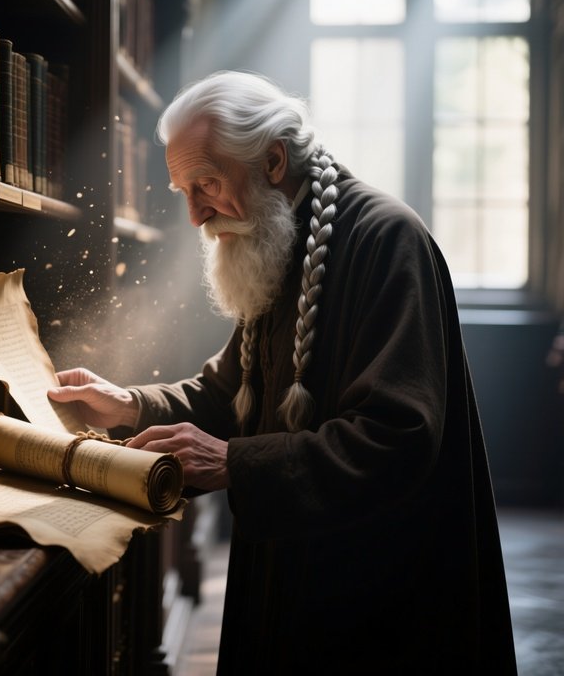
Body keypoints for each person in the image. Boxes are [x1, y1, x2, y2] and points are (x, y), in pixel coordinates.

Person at [48, 70, 517, 675]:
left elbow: (397, 436)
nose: (194, 216)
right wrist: (131, 404)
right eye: (183, 191)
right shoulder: (274, 235)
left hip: (374, 593)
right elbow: (228, 390)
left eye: (206, 184)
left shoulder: (386, 239)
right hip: (288, 569)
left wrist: (233, 463)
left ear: (272, 159)